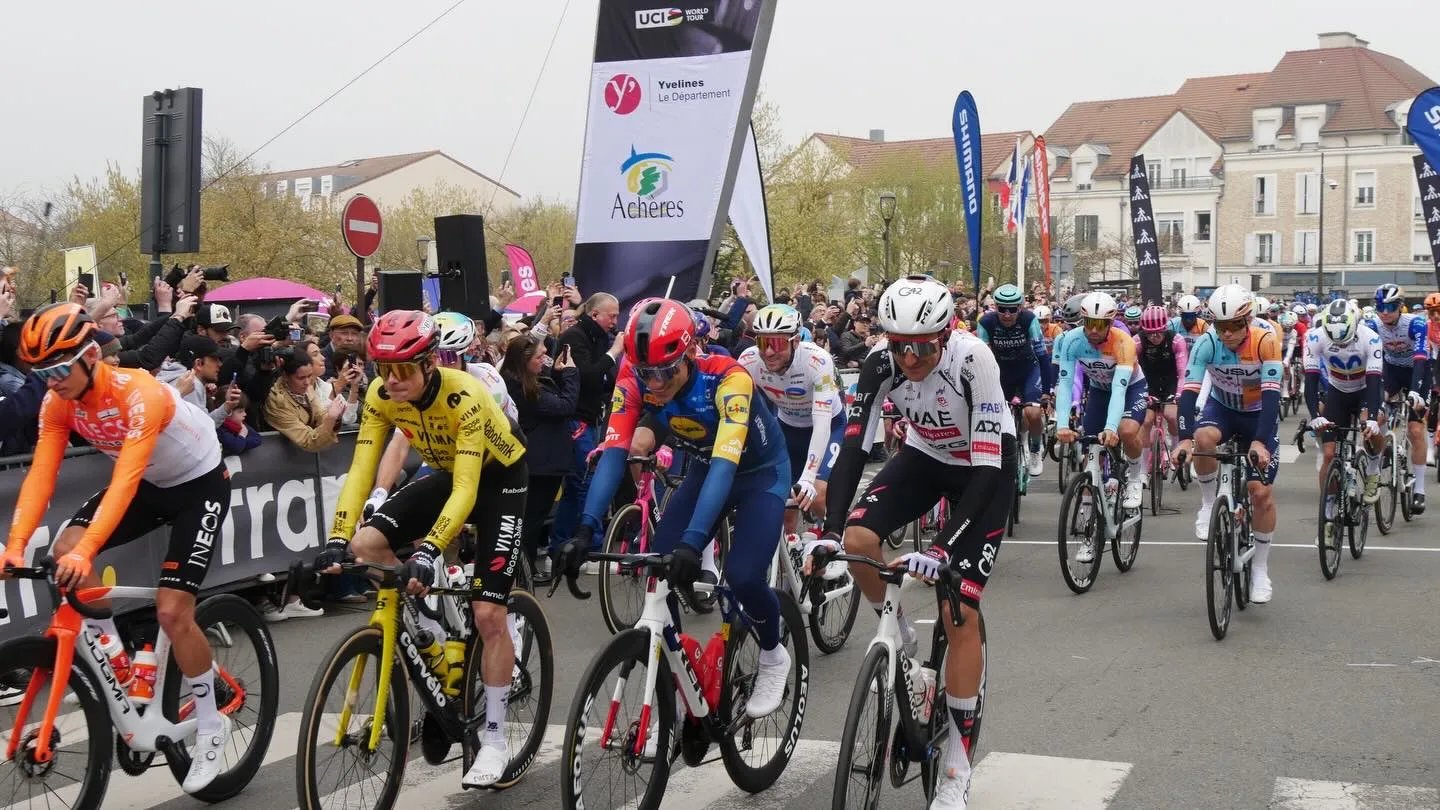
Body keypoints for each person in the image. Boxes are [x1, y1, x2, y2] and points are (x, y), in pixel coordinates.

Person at [2, 303, 233, 793]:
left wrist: (88, 550)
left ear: (91, 356)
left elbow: (124, 480)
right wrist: (16, 544)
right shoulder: (57, 402)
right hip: (151, 485)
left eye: (59, 370)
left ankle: (212, 725)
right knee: (65, 548)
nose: (51, 382)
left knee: (172, 611)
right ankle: (118, 659)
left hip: (199, 485)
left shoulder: (138, 392)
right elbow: (42, 473)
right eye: (40, 374)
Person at [806, 275, 1015, 810]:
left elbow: (988, 470)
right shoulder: (880, 363)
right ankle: (901, 640)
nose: (911, 358)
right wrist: (829, 532)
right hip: (926, 456)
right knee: (857, 537)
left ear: (945, 336)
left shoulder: (973, 359)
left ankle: (957, 769)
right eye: (901, 346)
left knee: (958, 610)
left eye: (923, 347)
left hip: (984, 467)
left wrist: (942, 549)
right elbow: (855, 447)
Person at [557, 298, 794, 720]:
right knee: (658, 569)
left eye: (665, 371)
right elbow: (614, 452)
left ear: (690, 353)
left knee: (742, 575)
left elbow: (725, 466)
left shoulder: (728, 378)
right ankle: (680, 677)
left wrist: (692, 542)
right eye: (645, 373)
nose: (655, 383)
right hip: (705, 466)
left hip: (758, 474)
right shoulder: (633, 376)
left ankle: (774, 653)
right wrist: (585, 529)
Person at [320, 310, 528, 789]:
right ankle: (428, 628)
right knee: (365, 544)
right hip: (448, 472)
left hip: (499, 480)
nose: (391, 380)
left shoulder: (465, 393)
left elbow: (468, 489)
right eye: (383, 369)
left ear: (430, 363)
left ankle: (495, 739)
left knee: (488, 614)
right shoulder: (381, 395)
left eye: (402, 369)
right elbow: (361, 469)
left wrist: (431, 549)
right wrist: (336, 538)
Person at [1173, 285, 1283, 603]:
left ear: (1247, 320)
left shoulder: (1265, 341)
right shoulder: (1206, 343)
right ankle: (1209, 503)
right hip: (1222, 409)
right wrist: (1183, 440)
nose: (1228, 334)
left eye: (1234, 325)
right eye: (1221, 326)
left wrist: (1259, 442)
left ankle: (1260, 568)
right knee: (1202, 438)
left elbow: (1272, 396)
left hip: (1258, 414)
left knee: (1260, 494)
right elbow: (1189, 393)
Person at [737, 304, 846, 530]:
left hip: (829, 426)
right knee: (786, 508)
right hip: (787, 427)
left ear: (796, 341)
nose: (768, 352)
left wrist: (808, 477)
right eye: (762, 343)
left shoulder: (817, 361)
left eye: (777, 343)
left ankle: (834, 537)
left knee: (818, 495)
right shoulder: (748, 360)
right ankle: (792, 549)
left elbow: (822, 423)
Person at [1054, 292, 1149, 521]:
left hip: (1130, 388)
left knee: (1126, 431)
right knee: (1091, 450)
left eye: (1101, 324)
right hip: (1099, 390)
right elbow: (1065, 384)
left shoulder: (1123, 342)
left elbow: (1119, 389)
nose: (1094, 330)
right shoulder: (1071, 340)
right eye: (1090, 323)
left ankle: (1135, 476)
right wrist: (1062, 424)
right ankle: (1088, 516)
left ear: (1111, 323)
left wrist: (1111, 427)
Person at [1301, 300, 1384, 547]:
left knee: (1371, 426)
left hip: (1365, 390)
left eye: (1345, 341)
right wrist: (1315, 415)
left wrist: (1372, 417)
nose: (1341, 345)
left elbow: (1374, 382)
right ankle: (1327, 517)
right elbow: (1311, 381)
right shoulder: (1315, 337)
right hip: (1337, 391)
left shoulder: (1371, 338)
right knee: (1328, 454)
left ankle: (1372, 471)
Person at [550, 293, 625, 562]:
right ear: (595, 315)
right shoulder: (574, 337)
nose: (615, 322)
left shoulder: (598, 337)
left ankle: (560, 546)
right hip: (576, 419)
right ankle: (591, 548)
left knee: (576, 486)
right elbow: (589, 376)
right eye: (612, 316)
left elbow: (604, 380)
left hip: (590, 417)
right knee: (585, 481)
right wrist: (614, 353)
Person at [501, 333, 579, 578]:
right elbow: (564, 405)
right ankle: (524, 569)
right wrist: (571, 373)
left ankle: (524, 567)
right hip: (540, 463)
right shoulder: (520, 386)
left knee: (532, 516)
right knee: (531, 518)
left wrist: (556, 373)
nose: (544, 359)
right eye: (539, 356)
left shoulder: (522, 380)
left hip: (542, 459)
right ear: (524, 360)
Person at [975, 284, 1050, 477]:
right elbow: (982, 358)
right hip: (1001, 372)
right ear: (995, 307)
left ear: (1020, 308)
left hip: (1028, 370)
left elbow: (1043, 356)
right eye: (1002, 309)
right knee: (997, 416)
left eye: (1012, 310)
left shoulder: (1029, 320)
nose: (1007, 315)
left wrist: (1046, 391)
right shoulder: (986, 322)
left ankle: (1035, 448)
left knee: (1033, 412)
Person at [1369, 284, 1429, 512]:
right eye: (1380, 307)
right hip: (1391, 370)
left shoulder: (1415, 324)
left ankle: (1420, 490)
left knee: (1415, 430)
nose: (1385, 312)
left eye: (1391, 307)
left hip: (1417, 370)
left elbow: (1421, 358)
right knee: (1378, 415)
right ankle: (1384, 448)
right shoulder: (1373, 325)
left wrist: (1415, 391)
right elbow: (1372, 360)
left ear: (1400, 307)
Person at [264, 346, 348, 453]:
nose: (307, 382)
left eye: (310, 376)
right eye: (301, 378)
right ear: (286, 376)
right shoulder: (277, 402)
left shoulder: (306, 388)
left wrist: (335, 418)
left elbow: (320, 415)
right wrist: (330, 419)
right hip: (275, 456)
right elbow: (307, 440)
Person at [1134, 305, 1187, 464]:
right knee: (1146, 422)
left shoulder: (1177, 340)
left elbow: (1183, 372)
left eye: (1159, 332)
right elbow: (1131, 370)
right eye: (1150, 333)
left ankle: (1175, 451)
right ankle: (1143, 468)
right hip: (1147, 382)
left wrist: (1179, 394)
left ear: (1165, 328)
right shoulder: (1137, 341)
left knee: (1172, 416)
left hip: (1171, 382)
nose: (1154, 337)